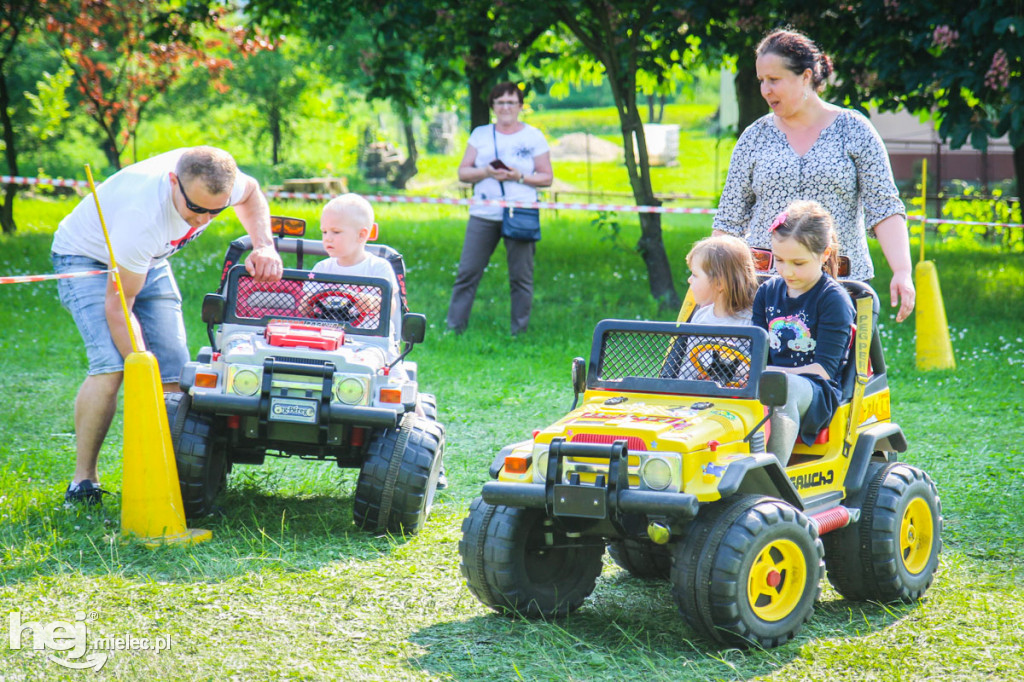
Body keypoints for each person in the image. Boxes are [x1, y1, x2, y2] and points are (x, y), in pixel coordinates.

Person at [51, 146, 283, 505]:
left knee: (175, 374)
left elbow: (251, 194)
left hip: (150, 259)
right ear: (174, 181)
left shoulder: (225, 182)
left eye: (215, 211)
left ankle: (170, 476)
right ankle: (83, 483)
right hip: (89, 257)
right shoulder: (140, 216)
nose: (204, 220)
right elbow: (119, 306)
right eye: (196, 209)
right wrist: (141, 364)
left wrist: (264, 245)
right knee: (114, 366)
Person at [712, 28, 916, 323]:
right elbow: (728, 220)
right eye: (761, 81)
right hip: (765, 290)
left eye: (774, 80)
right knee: (760, 368)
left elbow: (885, 208)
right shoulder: (754, 136)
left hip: (840, 287)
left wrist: (902, 271)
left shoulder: (854, 130)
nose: (765, 90)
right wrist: (714, 279)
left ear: (806, 76)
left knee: (833, 369)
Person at [753, 200, 855, 467]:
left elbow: (824, 370)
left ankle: (771, 480)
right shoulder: (766, 292)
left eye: (798, 262)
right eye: (780, 260)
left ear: (824, 254)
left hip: (816, 390)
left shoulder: (832, 299)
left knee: (780, 389)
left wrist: (769, 375)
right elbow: (755, 350)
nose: (787, 271)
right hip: (767, 380)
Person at [447, 82, 553, 336]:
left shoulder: (534, 136)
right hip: (484, 212)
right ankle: (453, 329)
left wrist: (519, 177)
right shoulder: (480, 134)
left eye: (511, 102)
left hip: (521, 211)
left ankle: (519, 332)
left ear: (520, 106)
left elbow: (547, 177)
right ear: (493, 106)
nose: (505, 107)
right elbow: (463, 172)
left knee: (521, 277)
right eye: (500, 102)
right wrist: (485, 172)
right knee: (467, 272)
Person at [308, 193, 400, 346]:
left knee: (393, 370)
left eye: (336, 232)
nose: (327, 238)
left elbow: (391, 307)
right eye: (324, 232)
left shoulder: (378, 267)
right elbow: (306, 306)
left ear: (361, 235)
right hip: (326, 338)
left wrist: (373, 303)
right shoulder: (322, 269)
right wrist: (306, 302)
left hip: (371, 341)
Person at [686, 234, 758, 326]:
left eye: (695, 275)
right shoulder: (700, 317)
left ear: (719, 283)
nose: (689, 280)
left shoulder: (749, 322)